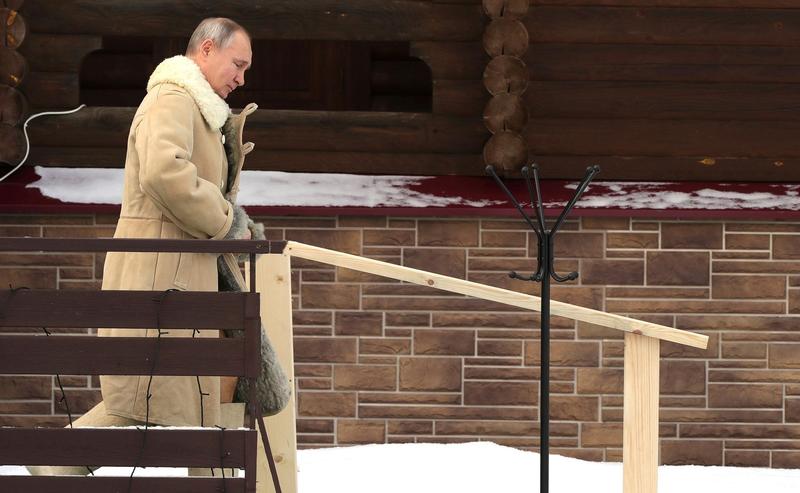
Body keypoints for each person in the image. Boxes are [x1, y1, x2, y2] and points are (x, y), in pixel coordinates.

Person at [29, 17, 259, 476]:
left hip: (182, 270)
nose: (241, 77)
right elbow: (163, 174)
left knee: (211, 386)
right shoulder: (171, 99)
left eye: (246, 69)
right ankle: (58, 461)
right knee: (146, 390)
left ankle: (61, 461)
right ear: (207, 49)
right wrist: (227, 222)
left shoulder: (197, 107)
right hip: (162, 270)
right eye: (238, 64)